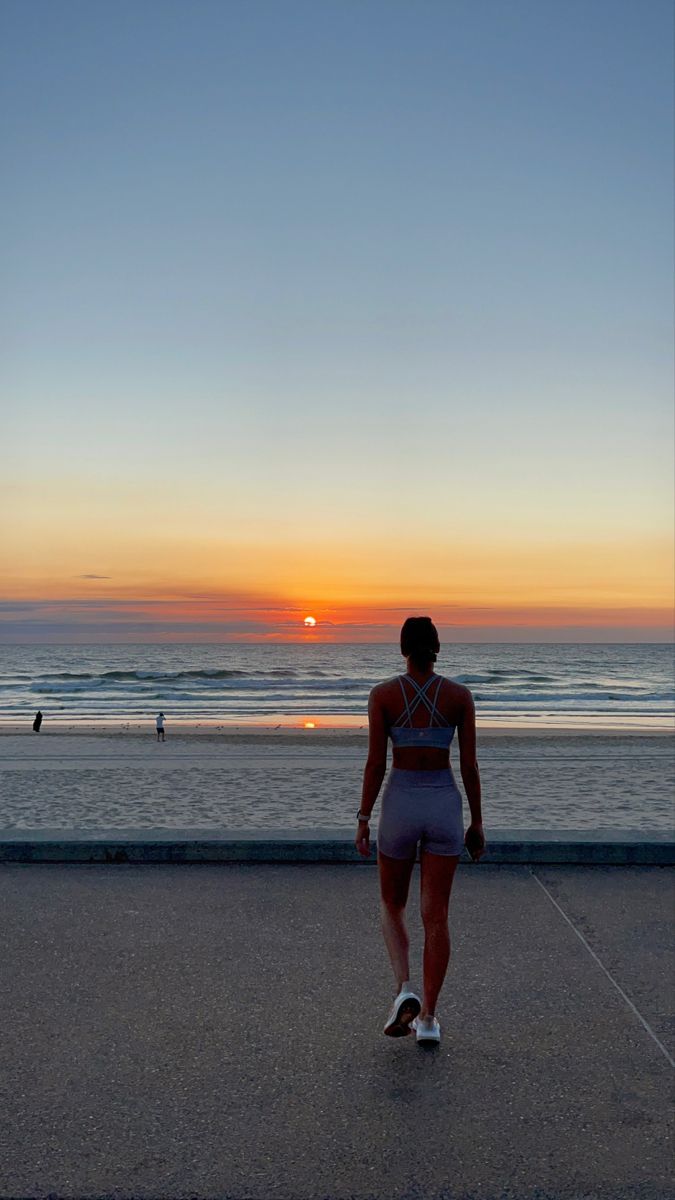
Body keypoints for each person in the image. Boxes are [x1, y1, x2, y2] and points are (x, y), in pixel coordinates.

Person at [355, 616, 485, 1045]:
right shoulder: (459, 697)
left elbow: (376, 763)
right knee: (437, 916)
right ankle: (428, 1018)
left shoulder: (383, 696)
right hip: (444, 804)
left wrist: (362, 817)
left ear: (403, 648)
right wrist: (477, 822)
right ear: (437, 647)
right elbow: (469, 766)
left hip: (401, 804)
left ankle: (403, 989)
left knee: (392, 904)